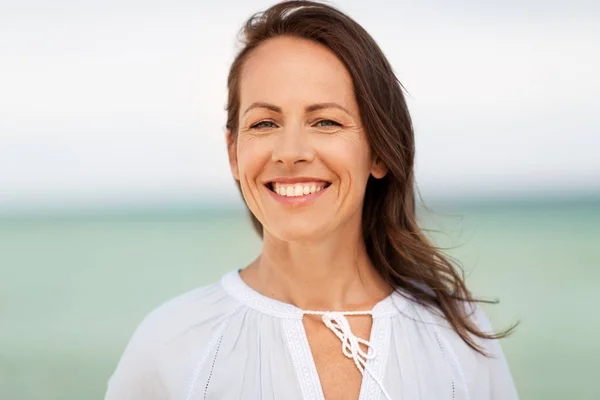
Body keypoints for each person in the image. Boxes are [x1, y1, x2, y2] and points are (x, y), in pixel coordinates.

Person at [104, 1, 518, 399]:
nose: (291, 151)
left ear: (378, 151)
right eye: (265, 123)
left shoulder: (457, 335)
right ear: (233, 152)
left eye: (325, 121)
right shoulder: (170, 345)